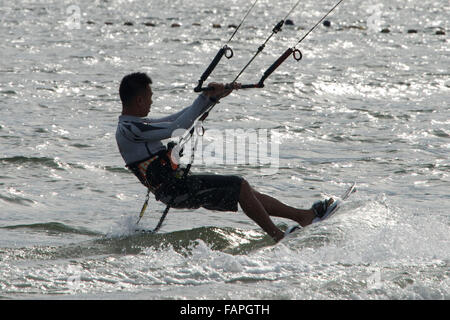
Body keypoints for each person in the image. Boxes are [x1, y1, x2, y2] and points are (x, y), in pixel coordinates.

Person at [115, 72, 334, 242]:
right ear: (141, 100)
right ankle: (278, 237)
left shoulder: (135, 125)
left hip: (177, 186)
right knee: (239, 185)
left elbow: (175, 118)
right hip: (174, 190)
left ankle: (303, 216)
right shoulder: (129, 130)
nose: (152, 102)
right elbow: (178, 126)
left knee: (246, 191)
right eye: (151, 98)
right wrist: (204, 97)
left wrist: (209, 99)